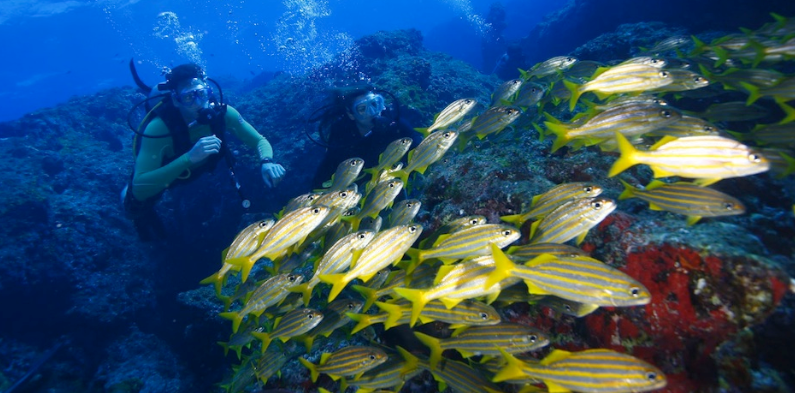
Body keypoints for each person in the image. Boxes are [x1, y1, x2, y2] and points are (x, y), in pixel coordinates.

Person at [122, 62, 286, 240]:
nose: (198, 103)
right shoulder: (159, 128)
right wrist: (189, 158)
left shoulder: (223, 113)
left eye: (201, 93)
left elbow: (258, 140)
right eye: (188, 97)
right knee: (132, 209)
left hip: (199, 168)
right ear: (176, 100)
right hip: (166, 174)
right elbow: (140, 187)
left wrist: (266, 162)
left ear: (209, 91)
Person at [308, 85, 422, 189]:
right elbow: (320, 181)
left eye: (374, 104)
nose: (372, 112)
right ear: (351, 114)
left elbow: (420, 149)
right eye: (362, 109)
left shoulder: (396, 125)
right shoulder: (343, 140)